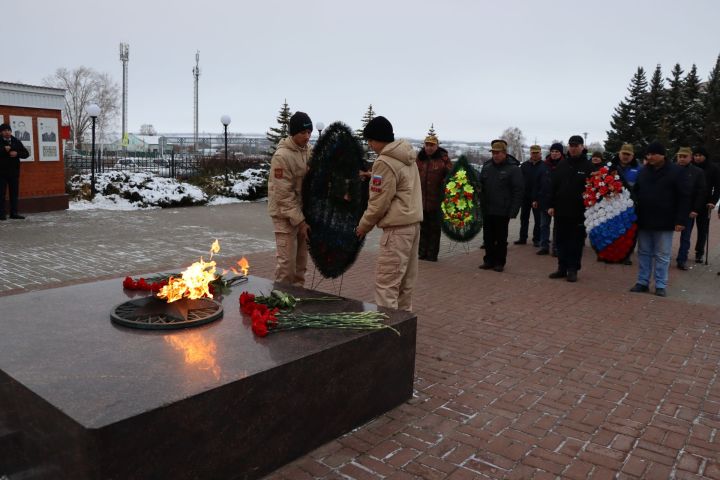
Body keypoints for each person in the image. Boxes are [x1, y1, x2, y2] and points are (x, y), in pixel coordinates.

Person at [356, 116, 422, 311]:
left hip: (396, 232)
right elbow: (402, 187)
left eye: (370, 140)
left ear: (377, 139)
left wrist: (363, 226)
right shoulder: (407, 157)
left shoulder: (384, 162)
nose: (370, 145)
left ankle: (387, 334)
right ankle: (403, 333)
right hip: (413, 226)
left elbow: (378, 203)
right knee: (405, 287)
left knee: (387, 286)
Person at [630, 141, 690, 297]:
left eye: (652, 154)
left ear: (662, 155)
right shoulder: (643, 171)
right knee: (643, 252)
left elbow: (684, 197)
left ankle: (660, 284)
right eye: (647, 154)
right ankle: (642, 282)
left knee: (662, 254)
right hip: (644, 219)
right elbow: (635, 192)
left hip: (665, 220)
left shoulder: (676, 172)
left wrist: (681, 220)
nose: (649, 157)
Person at [267, 112, 313, 287]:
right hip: (284, 215)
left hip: (301, 214)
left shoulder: (308, 151)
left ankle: (297, 300)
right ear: (293, 133)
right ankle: (281, 302)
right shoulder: (282, 156)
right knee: (287, 266)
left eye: (309, 132)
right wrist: (301, 222)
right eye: (303, 133)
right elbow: (283, 196)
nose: (307, 136)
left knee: (301, 264)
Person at [547, 135, 593, 282]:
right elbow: (553, 187)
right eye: (571, 145)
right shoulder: (563, 164)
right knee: (560, 240)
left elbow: (593, 191)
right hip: (561, 210)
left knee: (576, 242)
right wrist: (551, 205)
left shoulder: (588, 166)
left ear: (582, 147)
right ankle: (561, 268)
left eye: (576, 145)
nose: (573, 148)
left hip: (579, 212)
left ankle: (573, 269)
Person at [478, 139, 523, 272]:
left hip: (503, 210)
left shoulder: (513, 169)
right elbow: (480, 186)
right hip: (487, 209)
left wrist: (514, 210)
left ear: (504, 153)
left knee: (501, 238)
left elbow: (518, 190)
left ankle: (499, 262)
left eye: (498, 153)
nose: (495, 155)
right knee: (488, 238)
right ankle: (488, 260)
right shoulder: (486, 167)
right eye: (493, 153)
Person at [416, 134, 451, 261]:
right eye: (427, 145)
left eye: (432, 145)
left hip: (437, 201)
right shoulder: (419, 158)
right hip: (421, 200)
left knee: (435, 229)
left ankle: (432, 254)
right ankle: (422, 253)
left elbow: (451, 177)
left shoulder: (443, 159)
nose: (429, 148)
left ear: (437, 146)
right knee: (423, 228)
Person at [674, 147, 706, 270]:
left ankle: (682, 259)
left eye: (684, 156)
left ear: (690, 157)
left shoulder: (697, 172)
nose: (681, 159)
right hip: (671, 207)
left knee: (685, 236)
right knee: (664, 234)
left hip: (688, 209)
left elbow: (701, 192)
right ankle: (661, 256)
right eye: (680, 156)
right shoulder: (671, 169)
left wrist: (695, 209)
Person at [691, 146, 720, 263]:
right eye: (696, 155)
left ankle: (699, 252)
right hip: (691, 201)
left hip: (706, 202)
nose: (697, 158)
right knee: (687, 228)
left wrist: (713, 201)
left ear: (705, 156)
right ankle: (684, 251)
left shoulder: (713, 168)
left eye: (700, 155)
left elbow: (718, 187)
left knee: (702, 229)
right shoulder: (690, 166)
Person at [515, 145, 547, 247]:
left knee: (538, 220)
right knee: (524, 218)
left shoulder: (544, 165)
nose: (535, 155)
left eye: (537, 153)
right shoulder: (524, 165)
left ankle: (536, 239)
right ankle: (522, 238)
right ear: (530, 153)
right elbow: (519, 181)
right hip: (525, 196)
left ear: (540, 153)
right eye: (533, 153)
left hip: (537, 197)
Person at [536, 142, 564, 255]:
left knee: (558, 227)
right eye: (552, 151)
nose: (554, 153)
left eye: (557, 151)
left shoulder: (565, 165)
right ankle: (544, 246)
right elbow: (537, 182)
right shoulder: (543, 165)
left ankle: (556, 247)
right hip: (544, 200)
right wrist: (535, 198)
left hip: (559, 201)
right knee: (543, 225)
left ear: (561, 153)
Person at [0, 123, 30, 220]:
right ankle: (1, 214)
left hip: (13, 173)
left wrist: (17, 153)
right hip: (1, 173)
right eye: (4, 131)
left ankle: (14, 213)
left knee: (14, 193)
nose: (7, 132)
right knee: (1, 194)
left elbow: (26, 153)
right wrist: (3, 149)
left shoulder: (16, 141)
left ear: (11, 131)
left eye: (8, 130)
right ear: (1, 132)